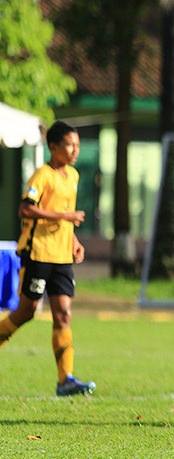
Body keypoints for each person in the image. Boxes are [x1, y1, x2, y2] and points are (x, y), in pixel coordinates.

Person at [0, 121, 96, 396]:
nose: (75, 150)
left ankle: (66, 379)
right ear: (53, 147)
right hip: (39, 254)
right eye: (69, 145)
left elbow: (66, 216)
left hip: (62, 257)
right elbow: (25, 209)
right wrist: (64, 217)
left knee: (63, 315)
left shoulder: (73, 176)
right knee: (25, 313)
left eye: (77, 145)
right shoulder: (42, 176)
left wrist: (74, 241)